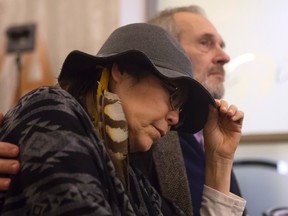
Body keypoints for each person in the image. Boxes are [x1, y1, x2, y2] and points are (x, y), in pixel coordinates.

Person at [0, 23, 245, 215]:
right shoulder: (52, 109)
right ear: (121, 70)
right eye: (173, 95)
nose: (174, 118)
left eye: (180, 109)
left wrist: (219, 163)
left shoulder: (128, 175)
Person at [131, 5, 247, 216]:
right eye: (205, 43)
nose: (225, 56)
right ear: (166, 52)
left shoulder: (210, 134)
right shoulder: (145, 133)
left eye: (221, 45)